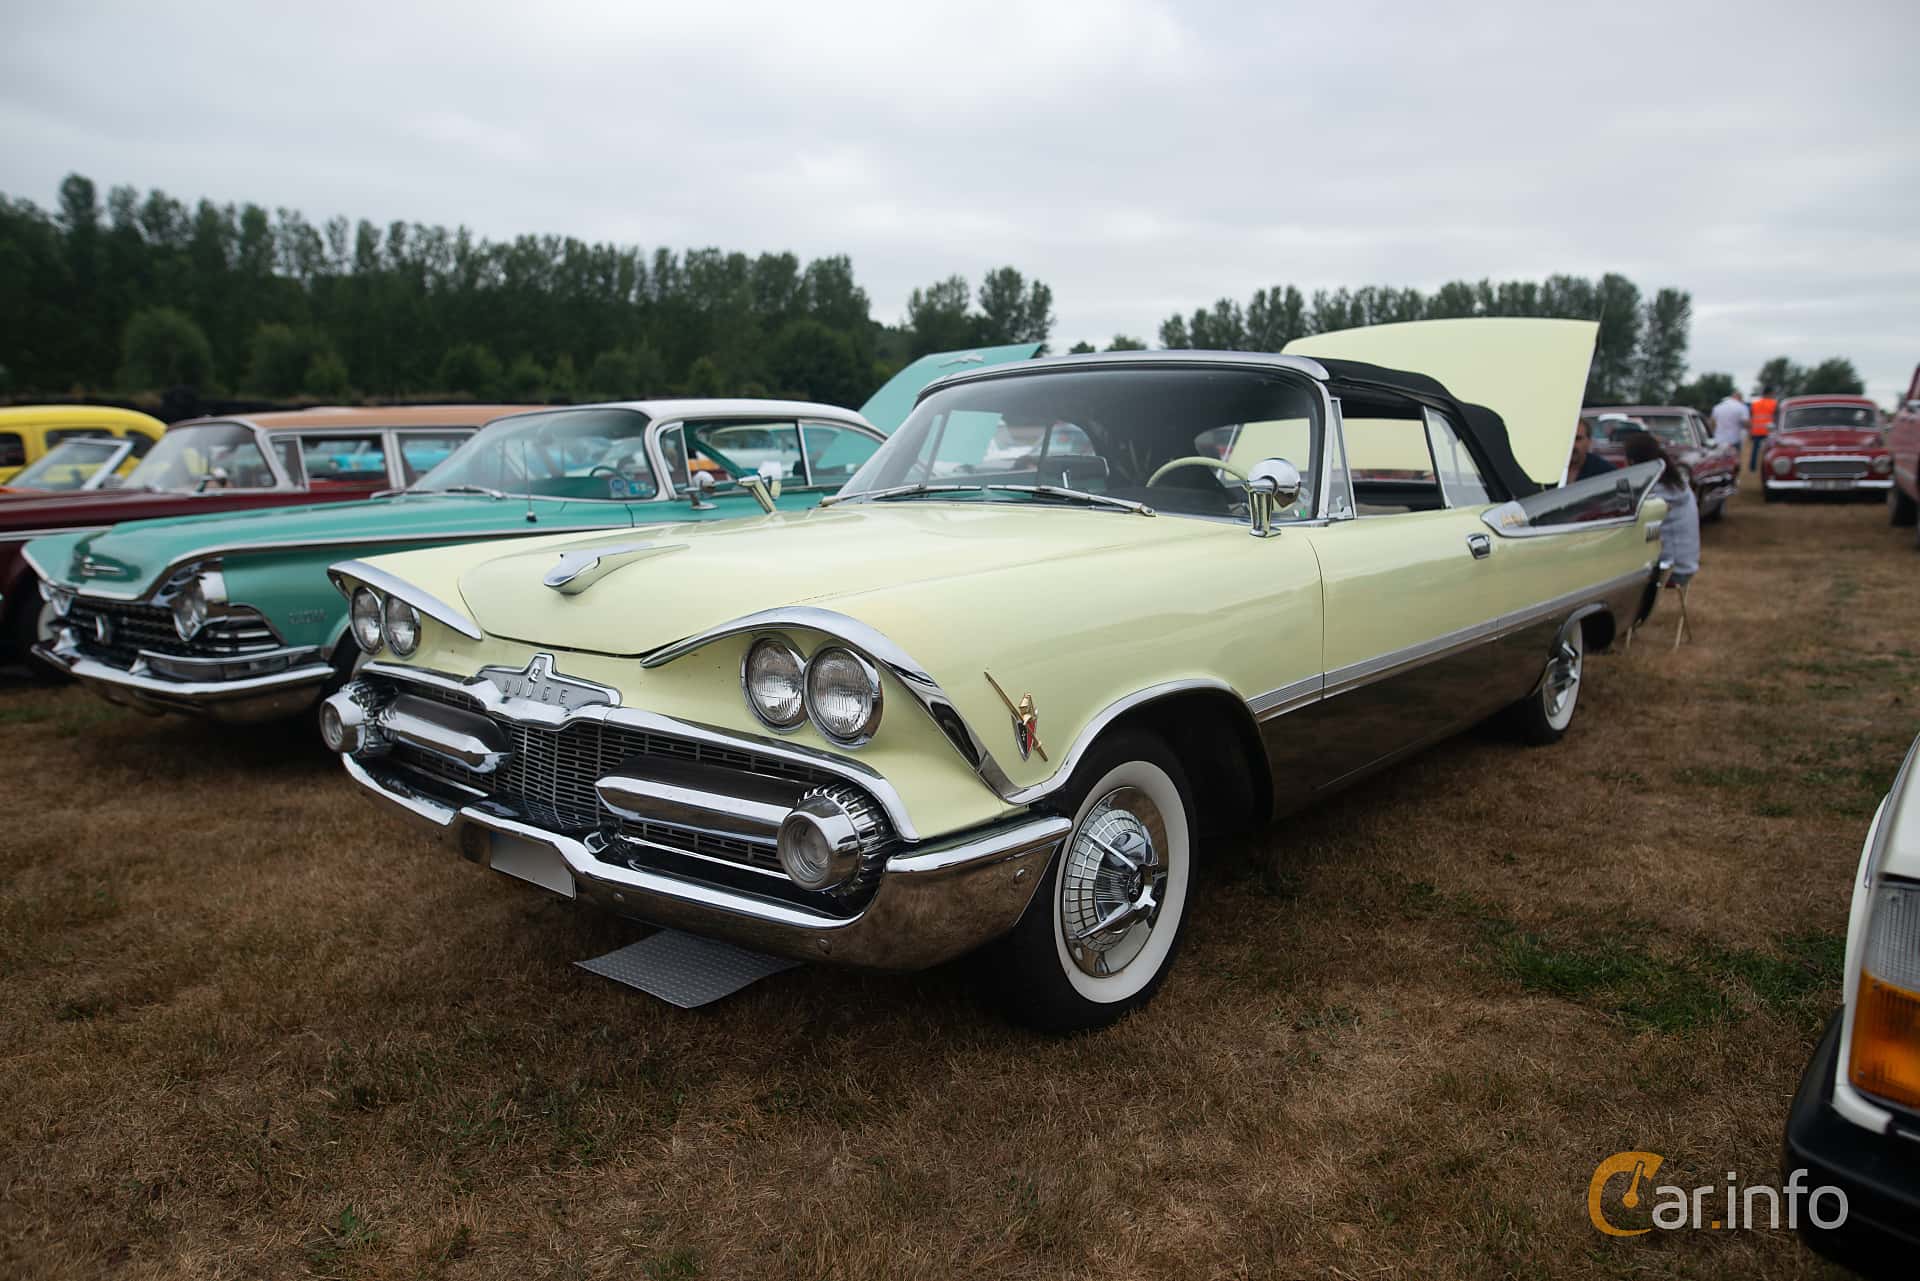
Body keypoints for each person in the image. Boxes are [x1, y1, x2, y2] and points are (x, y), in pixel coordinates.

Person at [1625, 430, 1698, 580]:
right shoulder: (1674, 483)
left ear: (1632, 462)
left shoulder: (1656, 491)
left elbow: (1634, 527)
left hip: (1671, 570)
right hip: (1684, 564)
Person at [1566, 417, 1616, 484]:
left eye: (1578, 439)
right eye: (1567, 439)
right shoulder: (1548, 472)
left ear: (1589, 441)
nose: (1572, 445)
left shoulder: (1605, 472)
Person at [1710, 389, 1750, 456]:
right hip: (1734, 440)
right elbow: (1746, 424)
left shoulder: (1717, 407)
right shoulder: (1742, 407)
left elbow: (1712, 423)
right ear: (1740, 398)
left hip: (1719, 440)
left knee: (1719, 461)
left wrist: (1715, 433)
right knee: (1735, 461)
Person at [1748, 385, 1778, 472]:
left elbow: (1751, 417)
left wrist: (1750, 431)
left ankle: (1752, 468)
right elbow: (1776, 417)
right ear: (1770, 393)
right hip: (1769, 431)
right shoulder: (1773, 403)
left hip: (1756, 430)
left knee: (1755, 450)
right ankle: (1767, 467)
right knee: (1769, 451)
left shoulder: (1755, 404)